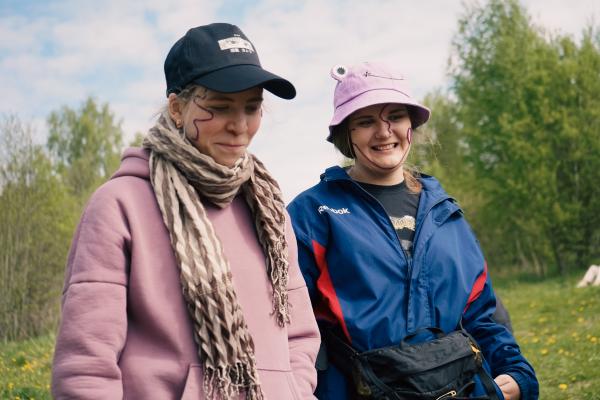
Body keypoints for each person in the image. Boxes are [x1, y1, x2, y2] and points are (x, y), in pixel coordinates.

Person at [52, 23, 320, 399]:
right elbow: (86, 366)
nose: (240, 126)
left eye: (252, 107)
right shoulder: (119, 205)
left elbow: (300, 335)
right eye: (220, 107)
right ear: (177, 108)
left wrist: (293, 389)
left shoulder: (269, 210)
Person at [287, 62, 538, 400]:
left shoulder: (446, 214)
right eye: (366, 121)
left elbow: (482, 313)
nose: (383, 132)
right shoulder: (313, 213)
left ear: (411, 125)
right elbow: (288, 327)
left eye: (395, 116)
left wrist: (517, 372)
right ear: (347, 134)